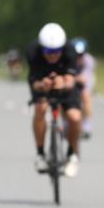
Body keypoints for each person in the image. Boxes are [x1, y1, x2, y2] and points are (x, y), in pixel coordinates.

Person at [28, 23, 81, 177]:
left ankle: (72, 154)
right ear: (41, 48)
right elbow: (33, 81)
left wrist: (63, 82)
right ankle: (40, 154)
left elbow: (71, 80)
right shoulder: (33, 51)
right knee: (41, 109)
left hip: (65, 85)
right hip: (41, 84)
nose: (52, 55)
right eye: (48, 51)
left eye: (56, 51)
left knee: (74, 117)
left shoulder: (70, 49)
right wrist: (42, 84)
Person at [70, 38, 96, 139]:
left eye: (81, 55)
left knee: (86, 96)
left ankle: (87, 126)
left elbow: (84, 80)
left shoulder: (89, 60)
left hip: (84, 82)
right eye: (76, 55)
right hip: (71, 81)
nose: (79, 57)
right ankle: (65, 124)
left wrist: (74, 78)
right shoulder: (68, 59)